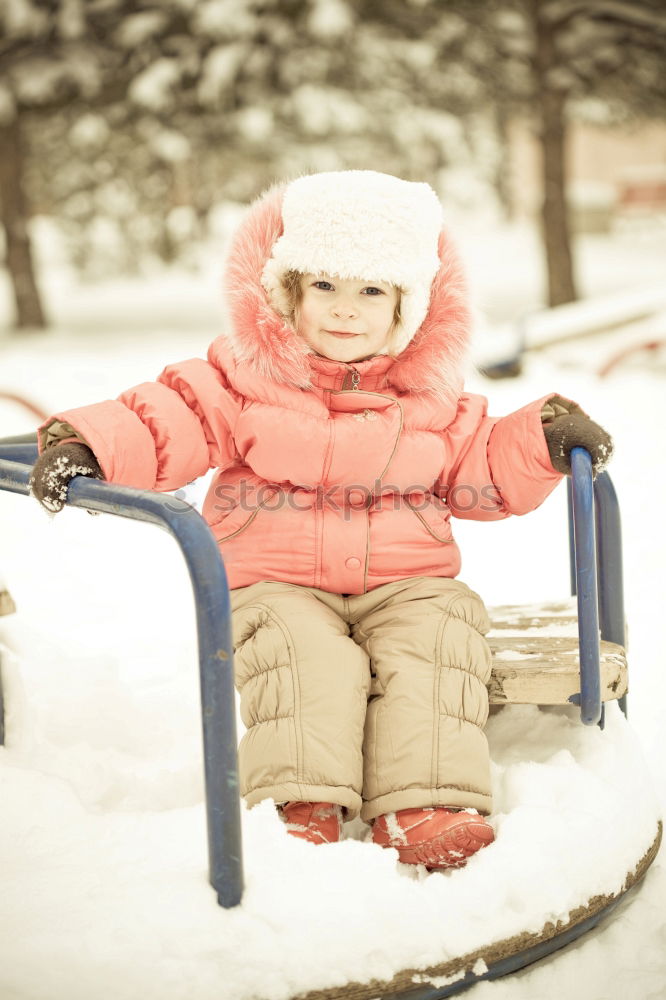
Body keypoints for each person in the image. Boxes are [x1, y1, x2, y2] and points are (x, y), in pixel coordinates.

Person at [30, 171, 613, 870]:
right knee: (302, 653)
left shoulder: (431, 398)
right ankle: (300, 800)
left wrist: (540, 440)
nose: (345, 311)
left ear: (409, 305)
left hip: (406, 579)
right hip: (276, 580)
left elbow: (481, 466)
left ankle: (422, 802)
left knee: (442, 635)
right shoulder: (240, 377)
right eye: (325, 288)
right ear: (287, 292)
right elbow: (169, 418)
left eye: (371, 291)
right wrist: (89, 445)